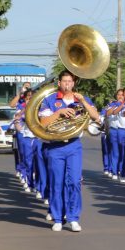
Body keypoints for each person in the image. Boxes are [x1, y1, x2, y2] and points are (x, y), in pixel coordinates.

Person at [37, 70, 100, 232]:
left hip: (74, 145)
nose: (67, 84)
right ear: (59, 83)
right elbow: (43, 123)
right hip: (55, 146)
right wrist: (59, 113)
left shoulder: (80, 99)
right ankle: (58, 218)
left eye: (70, 81)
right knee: (56, 183)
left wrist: (84, 103)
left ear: (74, 83)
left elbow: (96, 117)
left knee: (74, 182)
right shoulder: (50, 100)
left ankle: (73, 218)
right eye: (64, 81)